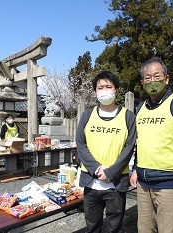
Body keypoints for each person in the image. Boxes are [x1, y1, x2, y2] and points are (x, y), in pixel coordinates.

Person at [130, 57, 173, 233]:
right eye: (147, 77)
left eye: (157, 76)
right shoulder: (140, 108)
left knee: (167, 229)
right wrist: (135, 168)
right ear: (142, 82)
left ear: (166, 79)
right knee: (144, 228)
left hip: (168, 183)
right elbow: (140, 142)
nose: (152, 81)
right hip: (143, 182)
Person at [76, 71, 136, 233]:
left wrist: (111, 172)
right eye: (100, 87)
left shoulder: (128, 116)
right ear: (95, 91)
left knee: (113, 228)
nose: (104, 90)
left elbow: (129, 146)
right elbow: (81, 144)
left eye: (108, 87)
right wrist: (96, 168)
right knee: (92, 227)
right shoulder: (87, 115)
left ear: (116, 90)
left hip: (115, 184)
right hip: (91, 182)